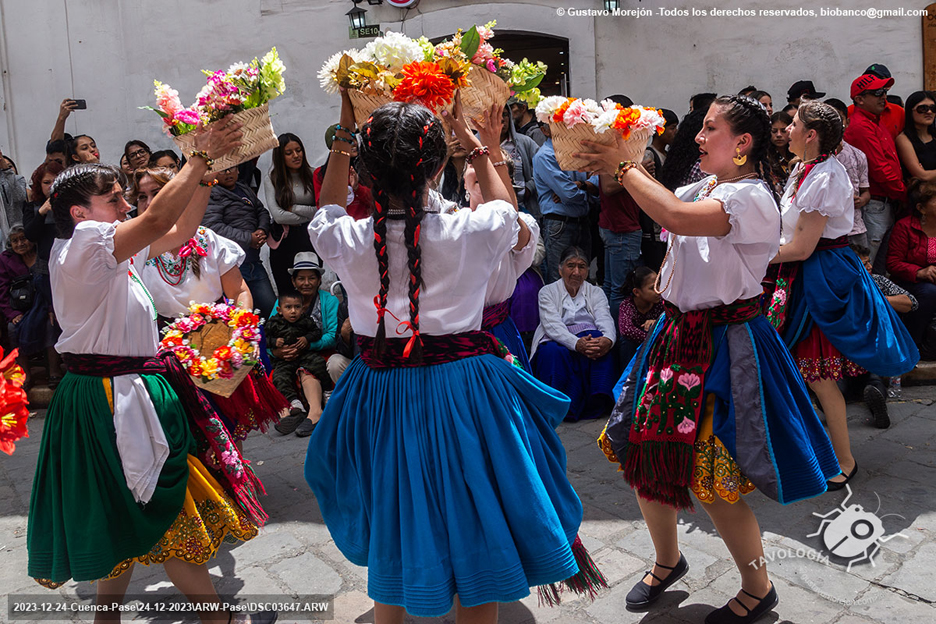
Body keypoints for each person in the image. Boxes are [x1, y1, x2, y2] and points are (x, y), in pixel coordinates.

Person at [305, 90, 599, 623]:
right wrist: (482, 150)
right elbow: (511, 217)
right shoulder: (475, 228)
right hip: (465, 388)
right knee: (474, 511)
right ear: (438, 164)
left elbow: (326, 208)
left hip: (379, 386)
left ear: (364, 171)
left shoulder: (341, 236)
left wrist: (345, 133)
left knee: (392, 503)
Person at [577, 94, 841, 624]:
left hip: (725, 342)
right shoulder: (702, 187)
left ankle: (758, 584)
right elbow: (669, 209)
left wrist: (622, 163)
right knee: (642, 453)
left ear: (742, 144)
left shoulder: (753, 198)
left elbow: (674, 215)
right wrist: (619, 158)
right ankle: (667, 560)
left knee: (711, 477)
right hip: (675, 335)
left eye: (710, 129)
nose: (697, 136)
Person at [27, 125, 277, 623]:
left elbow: (177, 230)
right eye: (115, 198)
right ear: (79, 213)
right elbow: (161, 215)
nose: (126, 207)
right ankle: (214, 617)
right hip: (111, 396)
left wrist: (204, 175)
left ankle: (109, 617)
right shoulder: (85, 246)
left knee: (125, 505)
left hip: (118, 391)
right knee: (167, 511)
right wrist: (201, 154)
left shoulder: (105, 248)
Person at [767, 101, 918, 492]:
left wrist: (749, 254)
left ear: (811, 134)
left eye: (794, 124)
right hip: (803, 272)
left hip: (821, 275)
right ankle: (818, 450)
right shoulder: (805, 168)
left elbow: (802, 246)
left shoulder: (826, 176)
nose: (786, 129)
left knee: (817, 376)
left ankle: (844, 461)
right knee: (803, 373)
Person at [133, 166, 287, 446]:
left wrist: (238, 334)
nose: (149, 202)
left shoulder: (207, 238)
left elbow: (240, 291)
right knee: (184, 432)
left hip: (217, 345)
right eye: (141, 197)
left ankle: (235, 481)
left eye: (157, 193)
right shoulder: (136, 249)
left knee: (225, 427)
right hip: (166, 355)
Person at [531, 246, 616, 421]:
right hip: (556, 337)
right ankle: (557, 406)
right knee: (552, 353)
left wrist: (607, 340)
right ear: (560, 269)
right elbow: (552, 325)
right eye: (571, 266)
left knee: (601, 349)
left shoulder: (596, 292)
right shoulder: (547, 292)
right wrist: (576, 344)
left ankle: (596, 405)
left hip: (588, 336)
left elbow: (604, 318)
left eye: (582, 266)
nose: (576, 272)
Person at [270, 252, 338, 437]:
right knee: (277, 374)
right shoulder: (282, 302)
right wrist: (278, 351)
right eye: (301, 278)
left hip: (317, 350)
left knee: (306, 370)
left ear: (319, 280)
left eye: (311, 278)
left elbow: (331, 335)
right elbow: (269, 333)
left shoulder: (329, 301)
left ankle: (315, 413)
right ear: (293, 281)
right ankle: (290, 414)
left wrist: (307, 345)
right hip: (287, 355)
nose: (306, 283)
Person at [844, 72, 906, 263]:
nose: (884, 96)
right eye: (878, 92)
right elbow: (880, 170)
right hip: (875, 205)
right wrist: (905, 194)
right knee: (867, 267)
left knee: (878, 268)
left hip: (883, 203)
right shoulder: (862, 126)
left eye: (885, 91)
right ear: (859, 99)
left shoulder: (874, 122)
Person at [201, 166, 277, 318]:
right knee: (238, 313)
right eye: (223, 170)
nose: (228, 173)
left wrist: (262, 230)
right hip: (231, 266)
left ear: (238, 170)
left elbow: (261, 211)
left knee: (270, 309)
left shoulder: (244, 188)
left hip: (254, 262)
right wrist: (249, 238)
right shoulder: (211, 194)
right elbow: (214, 227)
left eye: (231, 169)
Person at [533, 127, 598, 283]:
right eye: (557, 124)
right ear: (544, 130)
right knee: (559, 279)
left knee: (583, 277)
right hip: (559, 223)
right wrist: (588, 189)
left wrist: (582, 185)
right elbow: (569, 194)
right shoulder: (545, 155)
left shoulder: (578, 151)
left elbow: (598, 180)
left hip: (582, 220)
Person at [0, 227, 59, 388]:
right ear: (10, 243)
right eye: (15, 240)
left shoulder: (43, 255)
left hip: (44, 306)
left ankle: (54, 372)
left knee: (50, 325)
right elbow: (2, 290)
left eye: (23, 238)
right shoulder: (6, 259)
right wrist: (11, 313)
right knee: (13, 328)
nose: (20, 244)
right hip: (21, 309)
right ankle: (26, 375)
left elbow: (51, 285)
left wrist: (51, 308)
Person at [266, 289, 330, 428]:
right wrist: (274, 342)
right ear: (279, 309)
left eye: (297, 307)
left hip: (304, 355)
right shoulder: (273, 323)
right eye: (288, 307)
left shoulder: (306, 321)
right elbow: (263, 339)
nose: (293, 311)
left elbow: (317, 332)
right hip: (284, 360)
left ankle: (327, 391)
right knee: (279, 377)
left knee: (319, 363)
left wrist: (307, 339)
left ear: (303, 308)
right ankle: (295, 404)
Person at [886, 178, 936, 357]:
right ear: (921, 208)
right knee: (929, 292)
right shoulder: (905, 227)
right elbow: (893, 263)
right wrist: (920, 272)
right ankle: (911, 344)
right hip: (909, 283)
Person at [264, 133, 317, 294]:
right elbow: (278, 216)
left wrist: (293, 208)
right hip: (285, 242)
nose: (296, 155)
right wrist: (310, 212)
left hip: (311, 237)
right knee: (287, 292)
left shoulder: (314, 175)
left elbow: (321, 210)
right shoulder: (272, 179)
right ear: (280, 156)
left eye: (298, 150)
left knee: (309, 290)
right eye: (289, 153)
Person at [825, 98, 872, 250]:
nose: (835, 123)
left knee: (862, 269)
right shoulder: (814, 156)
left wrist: (862, 200)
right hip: (827, 229)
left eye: (839, 118)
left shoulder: (858, 155)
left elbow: (865, 191)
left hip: (855, 226)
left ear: (848, 121)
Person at [312, 125, 373, 220]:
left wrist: (357, 188)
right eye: (348, 140)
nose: (354, 143)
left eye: (354, 139)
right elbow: (322, 208)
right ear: (334, 146)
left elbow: (374, 201)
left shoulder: (365, 168)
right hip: (338, 230)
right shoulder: (320, 174)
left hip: (363, 229)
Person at [617, 266, 663, 366]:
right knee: (626, 342)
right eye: (652, 287)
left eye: (659, 284)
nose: (659, 290)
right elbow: (626, 330)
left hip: (658, 346)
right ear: (636, 292)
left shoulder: (661, 303)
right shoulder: (627, 305)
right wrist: (651, 339)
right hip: (640, 344)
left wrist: (657, 322)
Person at [499, 105, 541, 218]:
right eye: (497, 115)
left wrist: (529, 187)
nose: (502, 119)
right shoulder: (478, 143)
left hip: (523, 210)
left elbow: (543, 169)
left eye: (505, 114)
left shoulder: (524, 142)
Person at [848, 64, 905, 139]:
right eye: (869, 78)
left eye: (879, 79)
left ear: (887, 86)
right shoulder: (850, 112)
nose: (874, 80)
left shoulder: (899, 112)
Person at [895, 90, 936, 182]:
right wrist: (926, 174)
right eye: (922, 108)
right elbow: (922, 176)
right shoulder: (904, 139)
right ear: (911, 111)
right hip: (925, 194)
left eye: (933, 108)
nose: (929, 112)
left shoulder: (934, 135)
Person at [767, 111, 794, 195]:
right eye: (774, 131)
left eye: (783, 131)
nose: (779, 135)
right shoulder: (765, 157)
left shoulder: (797, 156)